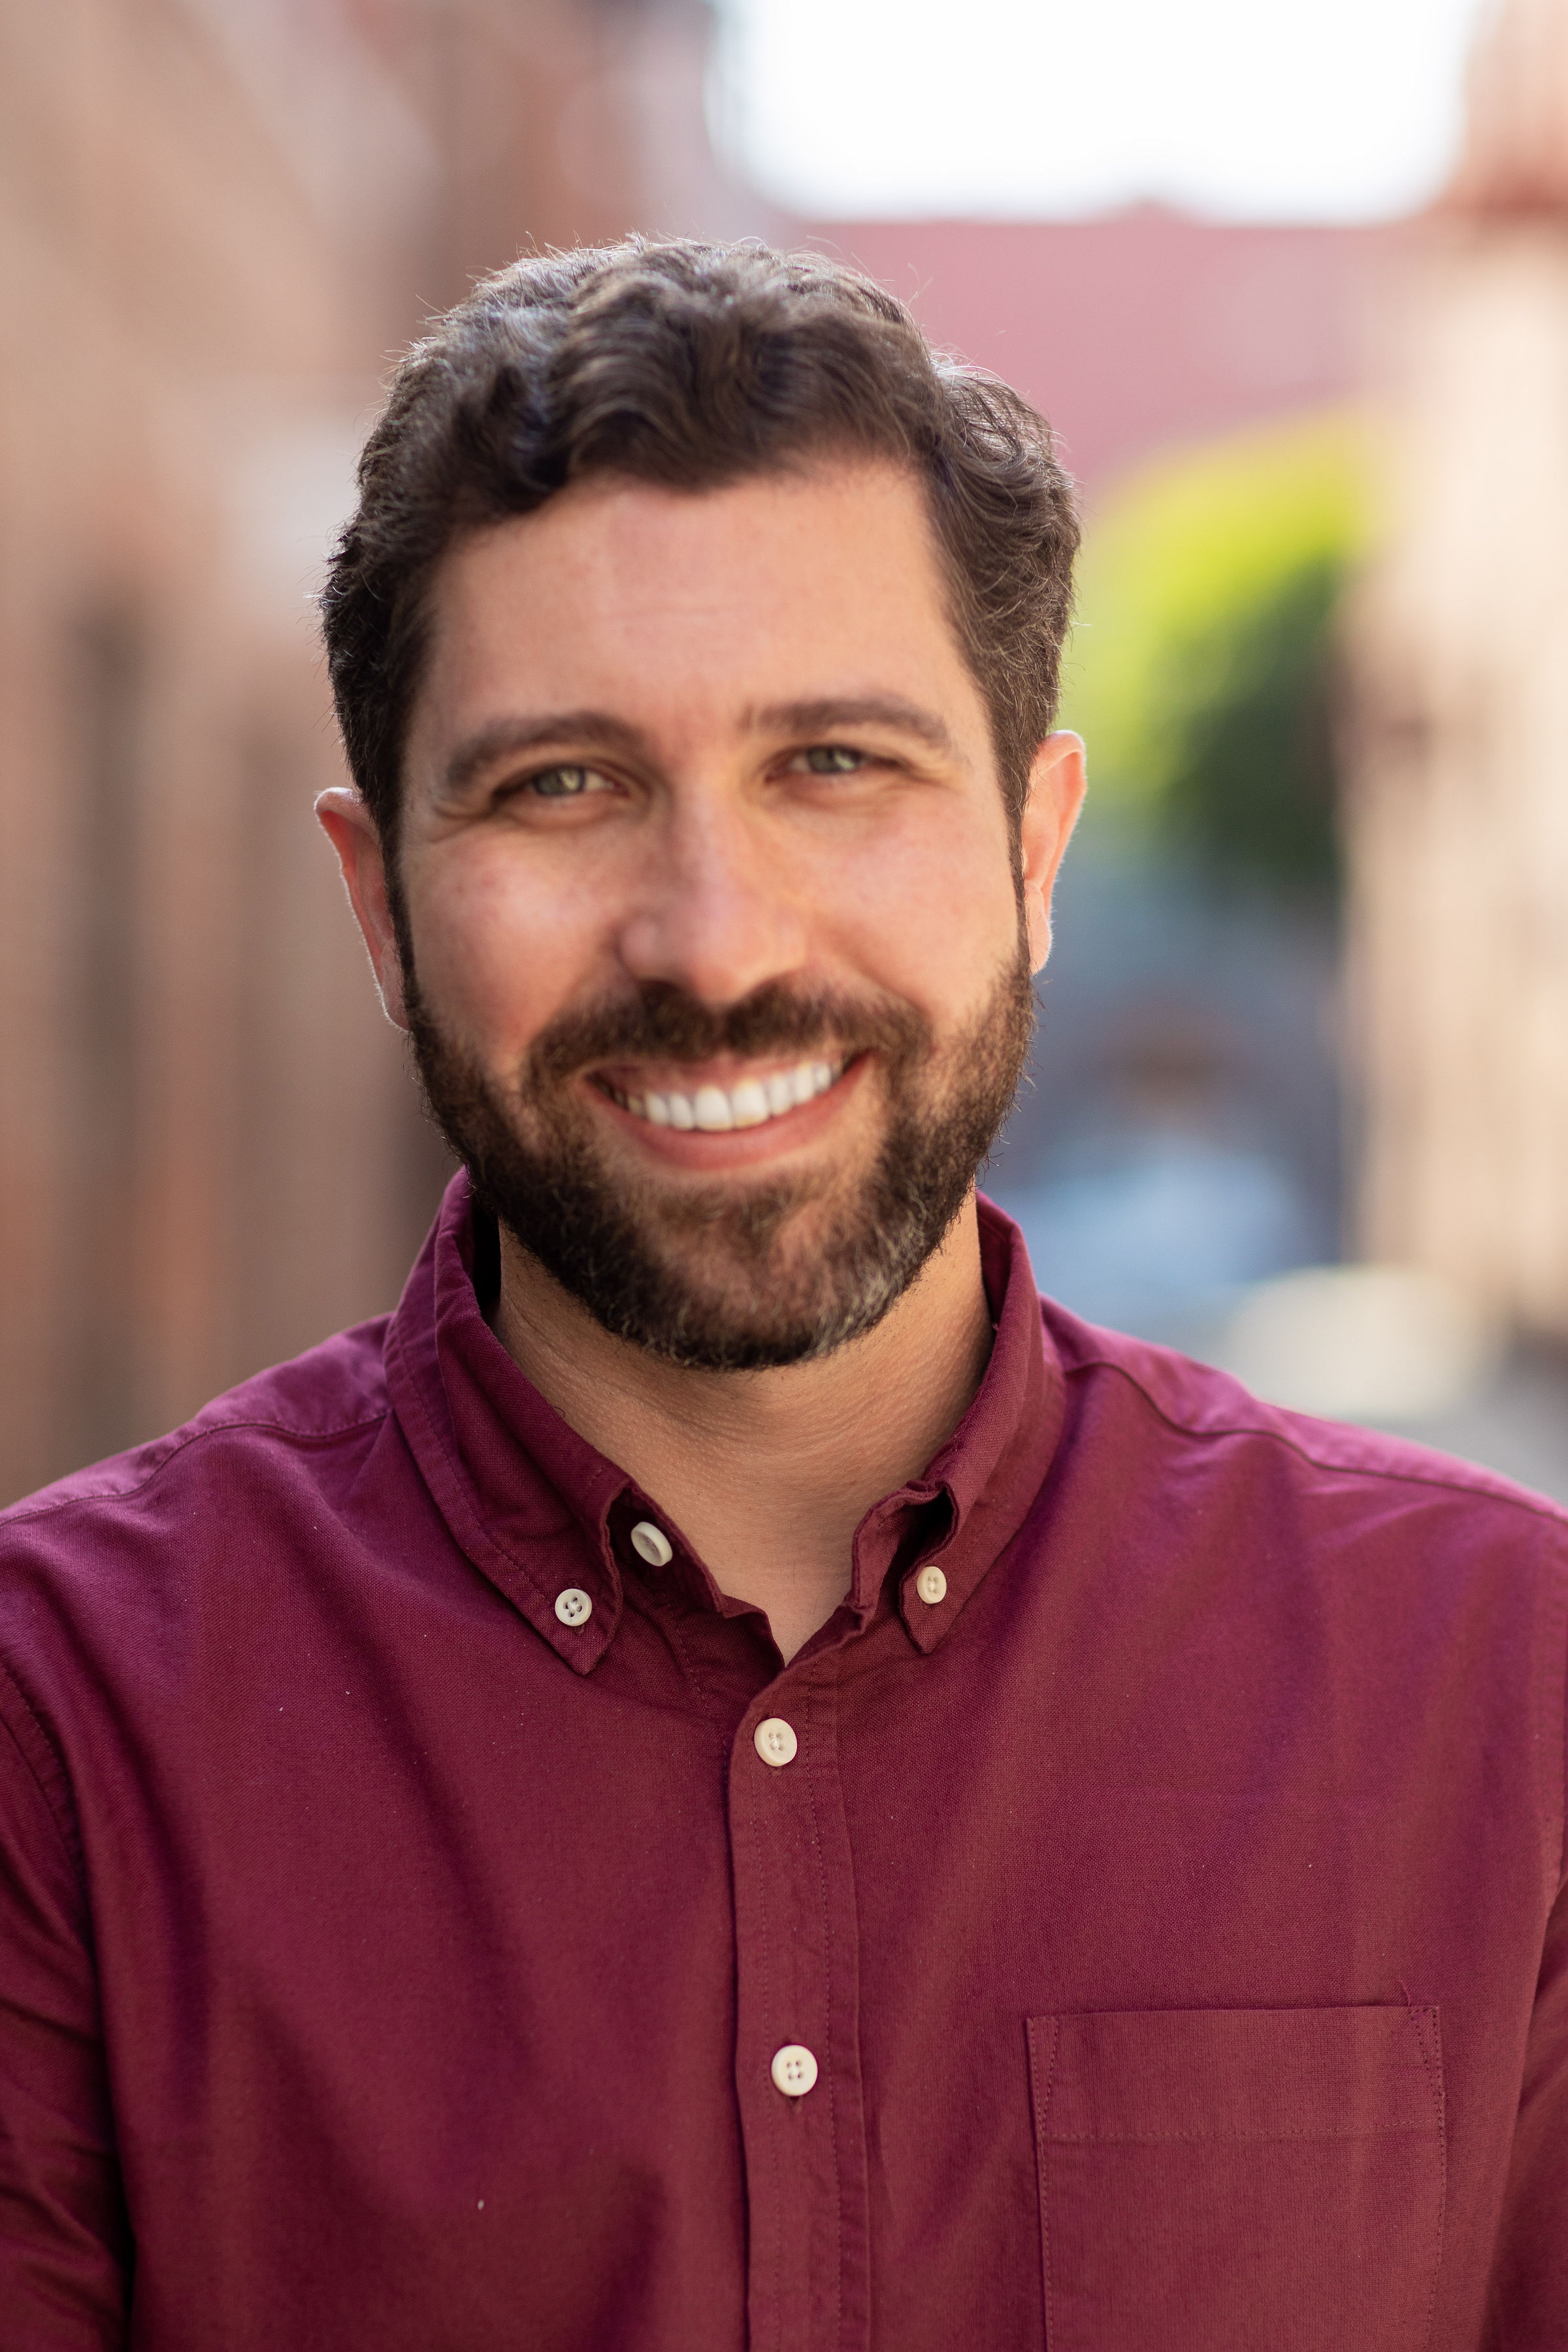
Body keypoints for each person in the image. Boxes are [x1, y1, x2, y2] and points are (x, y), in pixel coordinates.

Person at [0, 238, 1562, 2352]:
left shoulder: (1502, 1691)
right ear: (381, 903)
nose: (716, 940)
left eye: (835, 764)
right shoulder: (60, 1733)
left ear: (1032, 842)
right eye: (564, 784)